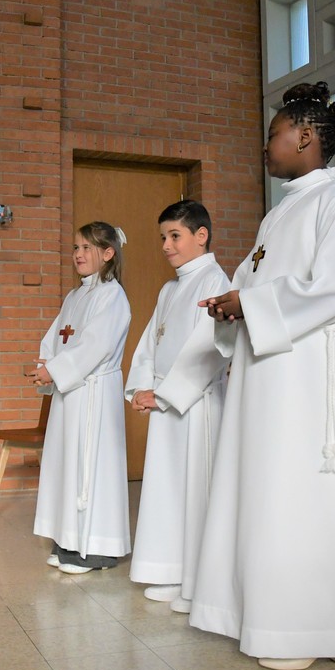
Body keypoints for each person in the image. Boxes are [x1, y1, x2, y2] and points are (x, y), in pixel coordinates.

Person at [189, 82, 335, 670]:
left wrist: (252, 306)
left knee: (306, 495)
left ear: (306, 137)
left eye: (274, 134)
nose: (267, 145)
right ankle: (278, 619)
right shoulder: (280, 212)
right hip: (273, 377)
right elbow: (258, 280)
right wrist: (231, 304)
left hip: (315, 382)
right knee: (273, 492)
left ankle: (323, 626)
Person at [125, 200, 229, 612]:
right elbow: (152, 339)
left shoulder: (214, 280)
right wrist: (140, 386)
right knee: (168, 488)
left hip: (196, 401)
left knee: (195, 487)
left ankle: (198, 580)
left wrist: (167, 394)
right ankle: (171, 569)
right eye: (163, 238)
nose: (166, 246)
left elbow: (210, 347)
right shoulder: (170, 288)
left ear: (200, 236)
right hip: (166, 400)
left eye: (175, 236)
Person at [28, 222, 131, 573]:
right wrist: (45, 365)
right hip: (69, 394)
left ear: (108, 254)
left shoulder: (112, 295)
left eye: (87, 248)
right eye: (75, 248)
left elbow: (96, 346)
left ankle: (95, 548)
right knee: (66, 464)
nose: (78, 255)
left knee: (90, 465)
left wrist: (56, 370)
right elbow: (57, 337)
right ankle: (68, 539)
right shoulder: (74, 297)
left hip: (93, 393)